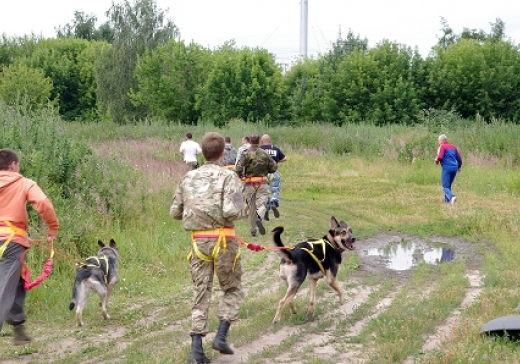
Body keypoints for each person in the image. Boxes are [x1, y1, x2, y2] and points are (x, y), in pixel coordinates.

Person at [170, 132, 246, 363]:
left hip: (198, 243)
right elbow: (232, 211)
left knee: (201, 292)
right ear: (223, 153)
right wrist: (243, 207)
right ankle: (221, 336)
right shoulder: (229, 177)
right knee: (232, 289)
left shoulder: (188, 178)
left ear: (202, 152)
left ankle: (196, 350)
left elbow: (175, 212)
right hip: (224, 241)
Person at [0, 148, 59, 345]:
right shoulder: (24, 183)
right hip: (11, 245)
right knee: (4, 290)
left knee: (15, 284)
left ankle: (18, 328)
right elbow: (43, 202)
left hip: (11, 240)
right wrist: (52, 228)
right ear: (13, 165)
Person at [235, 134, 278, 237]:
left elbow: (238, 168)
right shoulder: (264, 154)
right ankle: (259, 218)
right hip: (262, 182)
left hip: (249, 183)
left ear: (250, 141)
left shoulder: (245, 153)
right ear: (259, 141)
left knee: (252, 207)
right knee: (262, 204)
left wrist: (241, 176)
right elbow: (273, 168)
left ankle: (253, 229)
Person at [260, 134, 287, 220]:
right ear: (270, 140)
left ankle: (267, 206)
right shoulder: (275, 148)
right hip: (273, 172)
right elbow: (285, 158)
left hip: (263, 174)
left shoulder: (259, 149)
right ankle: (273, 201)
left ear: (262, 141)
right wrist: (276, 161)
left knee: (264, 192)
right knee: (275, 190)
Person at [434, 134, 462, 204]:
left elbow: (440, 156)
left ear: (441, 140)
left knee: (445, 186)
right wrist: (458, 167)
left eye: (438, 141)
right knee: (448, 185)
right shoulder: (453, 147)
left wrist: (436, 161)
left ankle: (452, 197)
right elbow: (459, 159)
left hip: (447, 168)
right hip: (454, 168)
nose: (438, 142)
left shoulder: (442, 146)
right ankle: (446, 201)